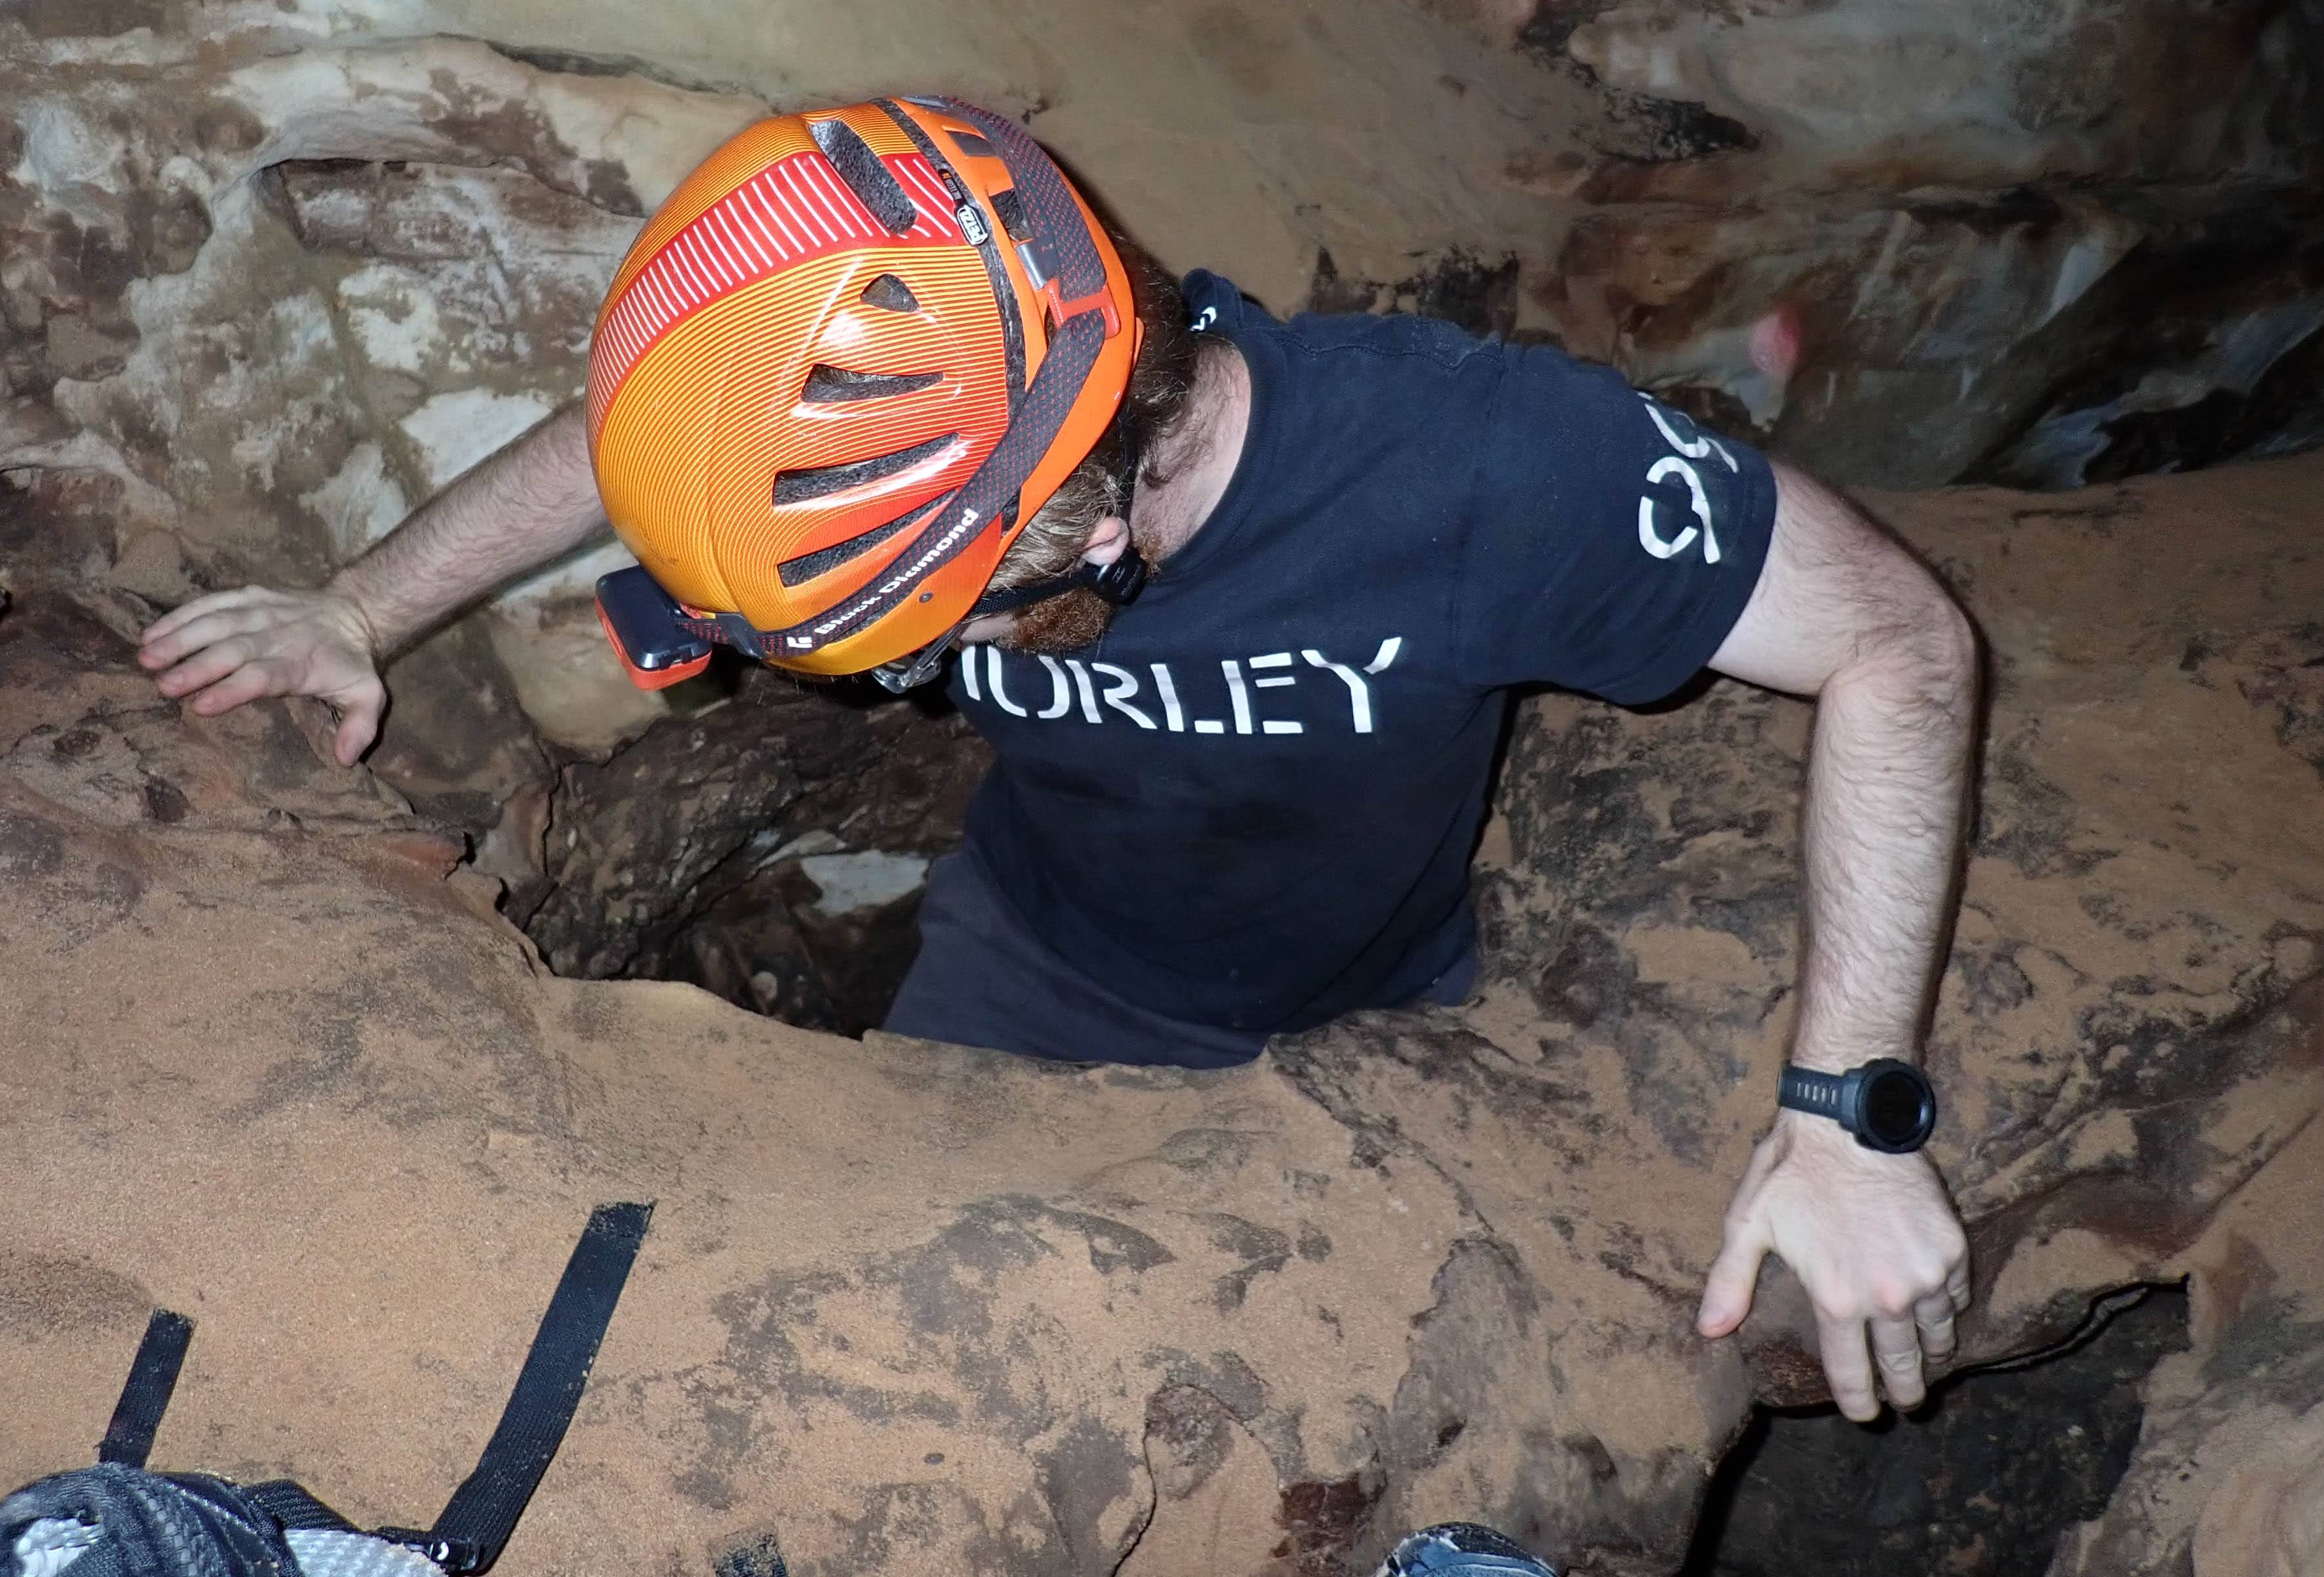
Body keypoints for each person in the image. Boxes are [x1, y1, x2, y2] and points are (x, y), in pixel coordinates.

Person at [140, 96, 1977, 1426]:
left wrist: (1850, 1114)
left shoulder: (1477, 470)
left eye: (928, 618)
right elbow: (633, 438)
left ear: (1076, 510)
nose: (901, 679)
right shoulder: (888, 344)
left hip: (1373, 1018)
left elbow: (1900, 639)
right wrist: (359, 608)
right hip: (1022, 964)